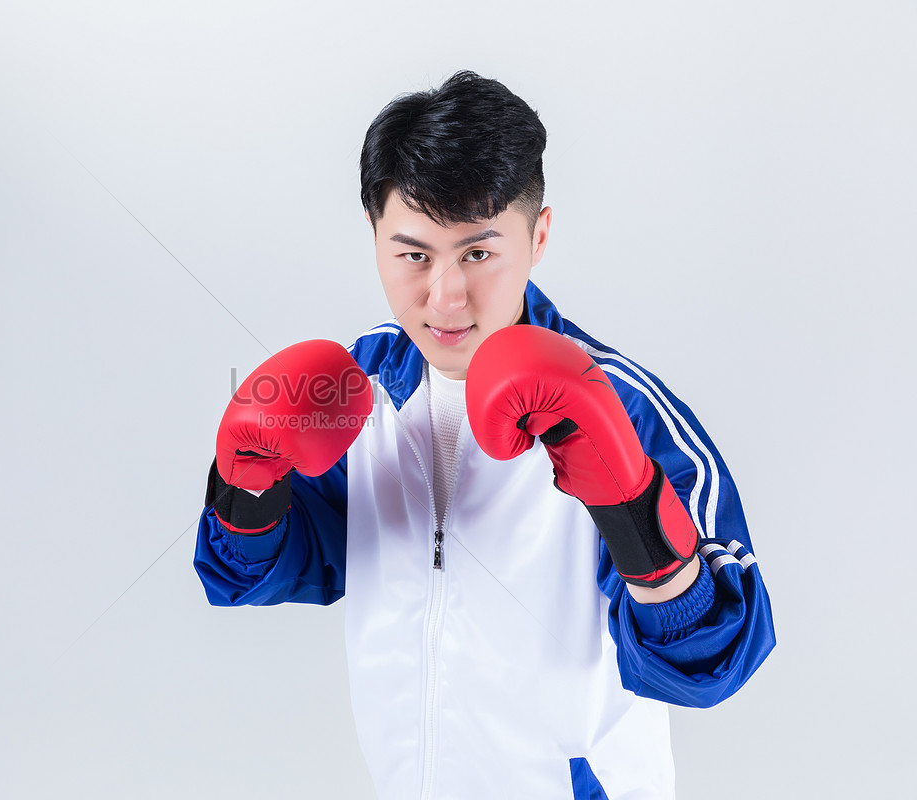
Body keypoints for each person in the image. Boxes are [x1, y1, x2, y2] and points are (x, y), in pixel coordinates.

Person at [193, 70, 775, 799]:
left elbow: (714, 658)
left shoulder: (625, 406)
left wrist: (632, 510)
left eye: (477, 253)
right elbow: (256, 570)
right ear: (374, 236)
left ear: (538, 237)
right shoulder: (356, 387)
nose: (445, 296)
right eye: (413, 255)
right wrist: (246, 485)